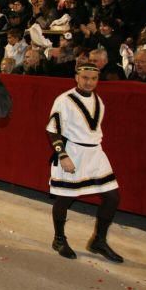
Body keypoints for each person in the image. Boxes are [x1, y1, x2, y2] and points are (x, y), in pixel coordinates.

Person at [46, 63, 123, 263]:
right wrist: (62, 155)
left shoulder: (99, 100)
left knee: (112, 197)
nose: (89, 82)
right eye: (85, 78)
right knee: (65, 198)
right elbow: (52, 129)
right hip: (73, 153)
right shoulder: (64, 100)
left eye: (93, 79)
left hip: (95, 153)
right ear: (76, 78)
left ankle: (99, 240)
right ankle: (59, 238)